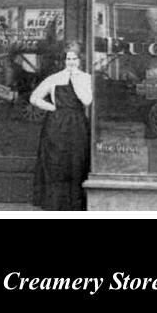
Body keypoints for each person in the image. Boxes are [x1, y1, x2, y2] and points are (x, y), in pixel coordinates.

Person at [30, 41, 92, 211]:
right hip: (56, 125)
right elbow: (34, 98)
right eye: (68, 58)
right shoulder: (54, 78)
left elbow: (87, 101)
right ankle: (55, 204)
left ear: (80, 60)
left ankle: (74, 205)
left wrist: (75, 79)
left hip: (77, 124)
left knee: (76, 161)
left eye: (74, 58)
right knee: (56, 162)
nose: (70, 62)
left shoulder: (86, 78)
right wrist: (53, 108)